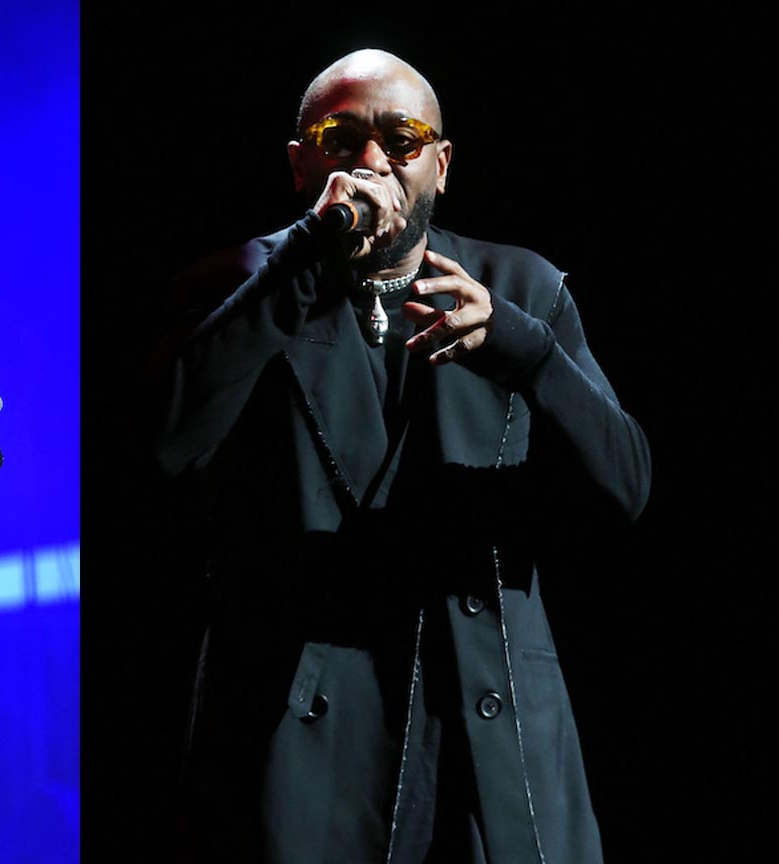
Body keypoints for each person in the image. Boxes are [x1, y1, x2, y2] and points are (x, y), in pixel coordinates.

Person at [154, 49, 648, 863]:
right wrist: (297, 268)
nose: (373, 161)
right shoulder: (235, 285)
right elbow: (163, 449)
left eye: (402, 138)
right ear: (301, 164)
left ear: (441, 165)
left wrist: (527, 354)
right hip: (304, 735)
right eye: (340, 137)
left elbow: (626, 485)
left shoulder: (521, 288)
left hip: (488, 730)